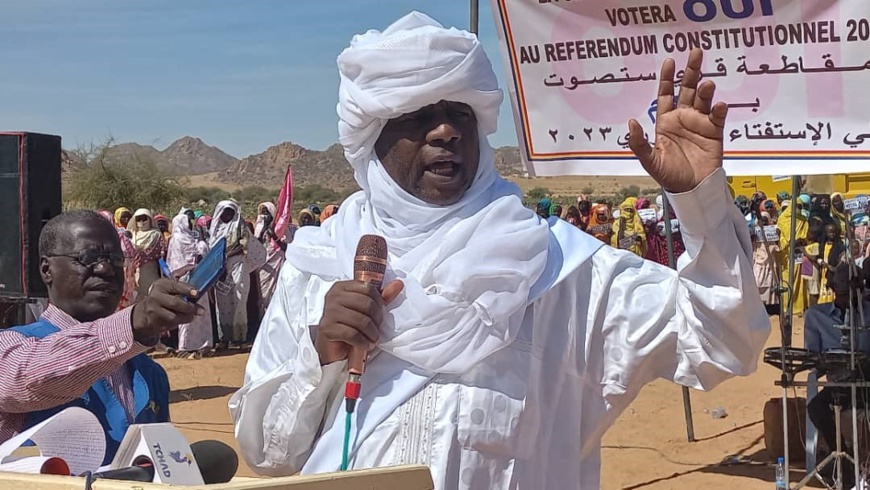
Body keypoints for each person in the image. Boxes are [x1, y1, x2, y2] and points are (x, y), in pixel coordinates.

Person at [228, 15, 769, 489]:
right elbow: (269, 456)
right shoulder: (318, 264)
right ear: (373, 141)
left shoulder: (560, 270)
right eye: (417, 115)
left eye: (459, 113)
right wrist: (321, 354)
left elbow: (723, 341)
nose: (445, 130)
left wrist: (699, 200)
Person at [0, 210, 202, 464]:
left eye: (115, 259)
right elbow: (25, 380)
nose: (105, 269)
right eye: (88, 258)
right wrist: (132, 325)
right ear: (46, 269)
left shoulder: (150, 373)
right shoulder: (12, 346)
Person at [211, 200, 266, 348]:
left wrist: (227, 255)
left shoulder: (239, 227)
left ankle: (240, 338)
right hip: (220, 270)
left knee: (239, 300)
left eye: (230, 211)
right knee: (222, 304)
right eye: (225, 211)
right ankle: (224, 338)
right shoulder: (214, 229)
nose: (227, 214)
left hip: (238, 266)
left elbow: (243, 246)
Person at [166, 209, 213, 359]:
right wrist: (200, 238)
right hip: (194, 279)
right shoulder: (184, 239)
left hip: (181, 280)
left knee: (187, 311)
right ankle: (194, 345)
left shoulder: (174, 239)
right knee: (196, 311)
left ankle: (189, 345)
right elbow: (200, 253)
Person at [254, 202, 288, 318]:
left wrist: (273, 235)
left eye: (267, 213)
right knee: (262, 293)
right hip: (263, 265)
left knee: (274, 292)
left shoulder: (281, 229)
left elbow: (285, 248)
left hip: (276, 263)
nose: (265, 215)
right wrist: (264, 228)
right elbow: (256, 244)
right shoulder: (259, 227)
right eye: (263, 212)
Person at [777, 194, 809, 315]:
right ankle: (788, 307)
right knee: (788, 280)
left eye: (801, 206)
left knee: (802, 280)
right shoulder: (783, 219)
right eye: (797, 206)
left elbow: (806, 236)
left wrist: (800, 241)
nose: (799, 209)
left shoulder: (803, 220)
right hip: (788, 255)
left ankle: (801, 307)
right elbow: (785, 237)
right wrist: (794, 241)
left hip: (802, 253)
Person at [127, 209, 166, 299]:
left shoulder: (155, 234)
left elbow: (161, 252)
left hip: (150, 269)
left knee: (150, 293)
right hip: (134, 271)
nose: (141, 222)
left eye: (144, 219)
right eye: (138, 219)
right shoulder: (132, 235)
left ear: (150, 220)